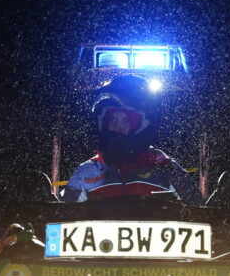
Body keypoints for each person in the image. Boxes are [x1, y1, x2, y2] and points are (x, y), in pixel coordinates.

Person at [61, 74, 204, 205]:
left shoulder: (164, 166)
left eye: (126, 121)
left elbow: (198, 213)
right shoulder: (87, 171)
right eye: (113, 119)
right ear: (104, 123)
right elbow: (62, 219)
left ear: (140, 126)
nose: (118, 126)